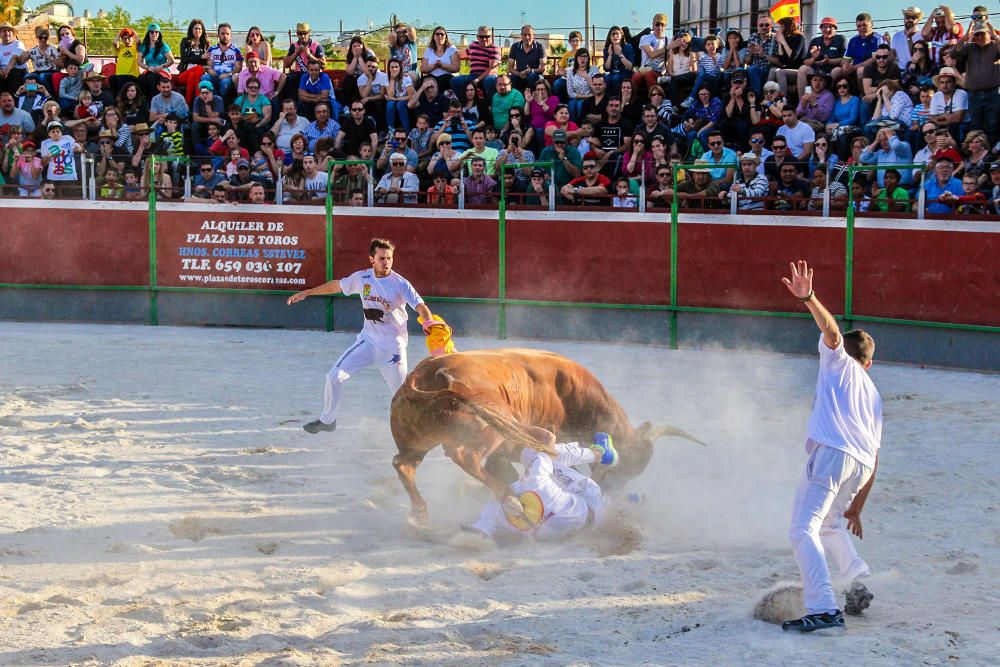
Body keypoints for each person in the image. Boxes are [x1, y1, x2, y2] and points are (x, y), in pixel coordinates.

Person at [780, 259, 881, 633]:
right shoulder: (873, 393)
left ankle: (824, 608)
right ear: (870, 363)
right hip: (860, 465)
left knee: (801, 530)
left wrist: (808, 297)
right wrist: (857, 506)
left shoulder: (837, 361)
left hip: (833, 455)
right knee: (827, 525)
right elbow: (875, 456)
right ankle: (855, 583)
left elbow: (833, 333)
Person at [287, 238, 435, 434]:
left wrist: (428, 322)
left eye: (389, 258)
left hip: (393, 348)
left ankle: (429, 427)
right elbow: (336, 286)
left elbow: (420, 306)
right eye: (382, 258)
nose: (386, 262)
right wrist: (308, 292)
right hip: (368, 342)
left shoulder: (400, 284)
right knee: (333, 377)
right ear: (371, 259)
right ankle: (328, 420)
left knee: (403, 396)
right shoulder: (362, 278)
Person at [464, 427, 618, 542]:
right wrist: (511, 424)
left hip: (573, 533)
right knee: (533, 453)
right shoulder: (536, 480)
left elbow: (476, 534)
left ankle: (610, 498)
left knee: (539, 458)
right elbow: (548, 437)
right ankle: (600, 453)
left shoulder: (495, 510)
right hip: (591, 504)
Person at [951, 21, 999, 146]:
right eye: (977, 35)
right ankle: (978, 155)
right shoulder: (969, 48)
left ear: (988, 33)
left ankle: (991, 155)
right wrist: (965, 37)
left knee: (993, 124)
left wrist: (996, 37)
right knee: (976, 127)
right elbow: (954, 54)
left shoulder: (995, 46)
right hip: (974, 94)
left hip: (993, 93)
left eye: (982, 34)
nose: (979, 37)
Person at [797, 17, 846, 99]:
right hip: (816, 72)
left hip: (831, 72)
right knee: (803, 69)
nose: (827, 29)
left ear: (835, 29)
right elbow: (805, 62)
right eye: (824, 27)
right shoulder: (815, 41)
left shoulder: (841, 39)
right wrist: (814, 58)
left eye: (830, 27)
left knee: (837, 71)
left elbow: (845, 59)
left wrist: (829, 61)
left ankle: (831, 100)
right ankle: (803, 101)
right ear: (821, 29)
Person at [451, 26, 500, 100]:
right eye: (481, 36)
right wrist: (448, 52)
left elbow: (491, 69)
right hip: (473, 75)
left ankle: (489, 105)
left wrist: (477, 80)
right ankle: (462, 104)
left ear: (492, 37)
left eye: (487, 37)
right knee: (454, 81)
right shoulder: (473, 45)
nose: (484, 39)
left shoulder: (495, 49)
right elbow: (462, 54)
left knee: (490, 81)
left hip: (488, 76)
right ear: (477, 37)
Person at [283, 23, 326, 101]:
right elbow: (286, 64)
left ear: (309, 33)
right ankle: (290, 104)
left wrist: (310, 55)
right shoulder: (294, 46)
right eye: (300, 33)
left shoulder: (316, 46)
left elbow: (323, 64)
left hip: (314, 73)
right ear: (297, 34)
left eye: (305, 33)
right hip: (298, 74)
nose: (302, 36)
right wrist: (295, 53)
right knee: (287, 79)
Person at [202, 24, 242, 101]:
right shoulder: (212, 49)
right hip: (215, 75)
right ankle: (216, 100)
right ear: (218, 35)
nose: (225, 36)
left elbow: (239, 68)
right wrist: (210, 70)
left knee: (225, 83)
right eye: (222, 33)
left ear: (230, 36)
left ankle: (219, 102)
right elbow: (208, 65)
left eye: (227, 34)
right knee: (204, 78)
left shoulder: (236, 50)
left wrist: (228, 74)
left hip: (228, 77)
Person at [137, 24, 175, 100]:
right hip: (149, 70)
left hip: (162, 71)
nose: (154, 34)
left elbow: (171, 60)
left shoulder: (163, 46)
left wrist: (161, 67)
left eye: (156, 32)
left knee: (152, 78)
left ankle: (155, 101)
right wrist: (148, 67)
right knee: (141, 79)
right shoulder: (144, 46)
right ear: (148, 33)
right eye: (151, 32)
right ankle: (146, 102)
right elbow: (139, 61)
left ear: (159, 33)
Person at [507, 25, 546, 93]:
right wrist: (519, 74)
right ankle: (516, 100)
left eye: (529, 35)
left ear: (533, 35)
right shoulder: (515, 46)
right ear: (521, 35)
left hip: (534, 74)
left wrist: (531, 70)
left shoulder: (540, 47)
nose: (527, 37)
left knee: (532, 76)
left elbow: (543, 68)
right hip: (519, 74)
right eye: (524, 35)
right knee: (511, 78)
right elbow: (510, 67)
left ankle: (532, 99)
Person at [421, 26, 459, 93]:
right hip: (432, 77)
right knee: (425, 82)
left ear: (446, 37)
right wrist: (434, 65)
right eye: (437, 34)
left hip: (448, 77)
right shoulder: (429, 50)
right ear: (434, 37)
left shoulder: (451, 49)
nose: (440, 36)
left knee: (443, 82)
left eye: (442, 34)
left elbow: (456, 68)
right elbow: (423, 69)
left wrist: (442, 65)